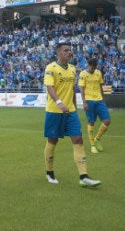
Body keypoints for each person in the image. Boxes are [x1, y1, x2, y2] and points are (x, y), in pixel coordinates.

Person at [43, 41, 100, 188]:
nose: (70, 52)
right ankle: (49, 172)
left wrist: (74, 105)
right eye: (66, 50)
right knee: (52, 142)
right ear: (58, 53)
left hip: (70, 112)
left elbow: (72, 89)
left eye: (70, 50)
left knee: (78, 139)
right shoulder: (51, 68)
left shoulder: (73, 69)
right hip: (54, 111)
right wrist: (59, 102)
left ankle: (83, 176)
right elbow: (49, 87)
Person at [78, 58, 111, 154]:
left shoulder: (98, 73)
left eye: (95, 67)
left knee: (107, 120)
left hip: (99, 100)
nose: (93, 69)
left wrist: (104, 99)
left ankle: (97, 138)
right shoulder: (83, 74)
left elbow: (101, 86)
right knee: (91, 122)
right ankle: (92, 145)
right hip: (89, 100)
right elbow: (81, 88)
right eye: (92, 67)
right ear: (88, 65)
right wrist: (84, 102)